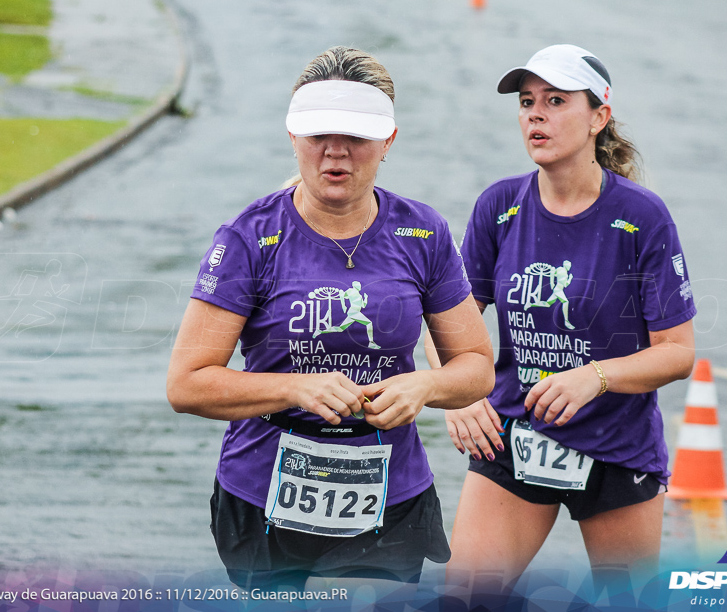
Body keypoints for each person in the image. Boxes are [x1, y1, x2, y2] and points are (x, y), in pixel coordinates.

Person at [166, 46, 494, 589]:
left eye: (356, 137)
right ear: (293, 137)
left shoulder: (423, 233)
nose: (335, 153)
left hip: (388, 495)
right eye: (319, 135)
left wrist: (426, 386)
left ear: (388, 141)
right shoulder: (249, 239)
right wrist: (297, 389)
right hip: (264, 493)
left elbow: (477, 367)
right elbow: (187, 384)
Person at [440, 44, 697, 587]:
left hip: (615, 447)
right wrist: (458, 392)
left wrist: (595, 377)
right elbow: (450, 320)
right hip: (513, 437)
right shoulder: (499, 206)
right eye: (528, 101)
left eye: (556, 101)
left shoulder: (641, 217)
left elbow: (678, 353)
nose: (535, 113)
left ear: (598, 117)